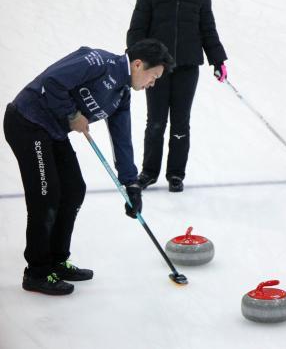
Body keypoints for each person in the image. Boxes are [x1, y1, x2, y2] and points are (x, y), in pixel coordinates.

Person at [3, 38, 174, 296]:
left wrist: (131, 184)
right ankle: (36, 272)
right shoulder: (97, 61)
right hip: (27, 122)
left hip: (52, 131)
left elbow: (122, 140)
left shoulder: (121, 94)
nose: (153, 83)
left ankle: (57, 261)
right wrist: (72, 114)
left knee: (73, 190)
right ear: (138, 64)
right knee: (46, 196)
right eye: (154, 76)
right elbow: (53, 82)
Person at [127, 0, 228, 193]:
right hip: (156, 69)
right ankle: (149, 172)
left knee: (181, 122)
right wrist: (138, 62)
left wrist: (218, 59)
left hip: (187, 67)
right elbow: (137, 30)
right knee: (156, 122)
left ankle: (175, 174)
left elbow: (208, 30)